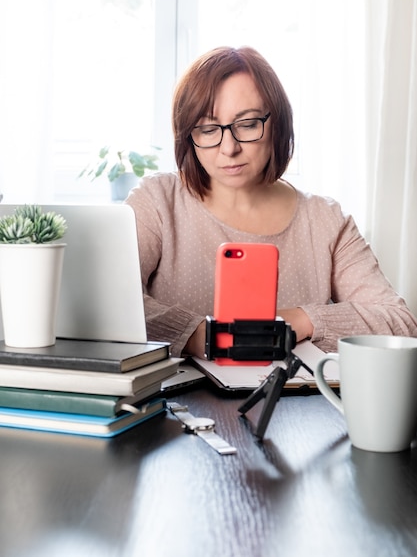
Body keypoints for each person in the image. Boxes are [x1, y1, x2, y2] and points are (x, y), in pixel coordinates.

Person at [126, 46, 417, 359]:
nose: (229, 148)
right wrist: (199, 334)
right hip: (176, 402)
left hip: (295, 402)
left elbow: (401, 325)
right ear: (188, 136)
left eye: (248, 124)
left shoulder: (325, 220)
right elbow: (108, 301)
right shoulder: (156, 202)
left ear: (276, 123)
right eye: (208, 129)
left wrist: (301, 320)